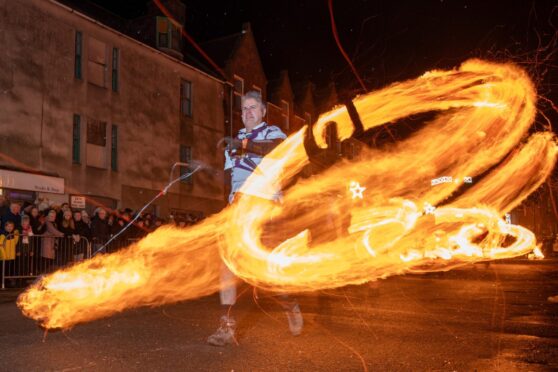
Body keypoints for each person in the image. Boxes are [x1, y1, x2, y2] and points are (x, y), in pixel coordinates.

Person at [207, 91, 303, 346]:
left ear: (262, 112)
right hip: (239, 206)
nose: (248, 112)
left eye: (253, 108)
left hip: (265, 205)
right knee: (227, 265)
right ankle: (226, 327)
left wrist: (244, 146)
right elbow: (229, 177)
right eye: (244, 109)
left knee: (266, 271)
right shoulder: (234, 140)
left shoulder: (273, 133)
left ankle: (290, 303)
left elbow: (273, 150)